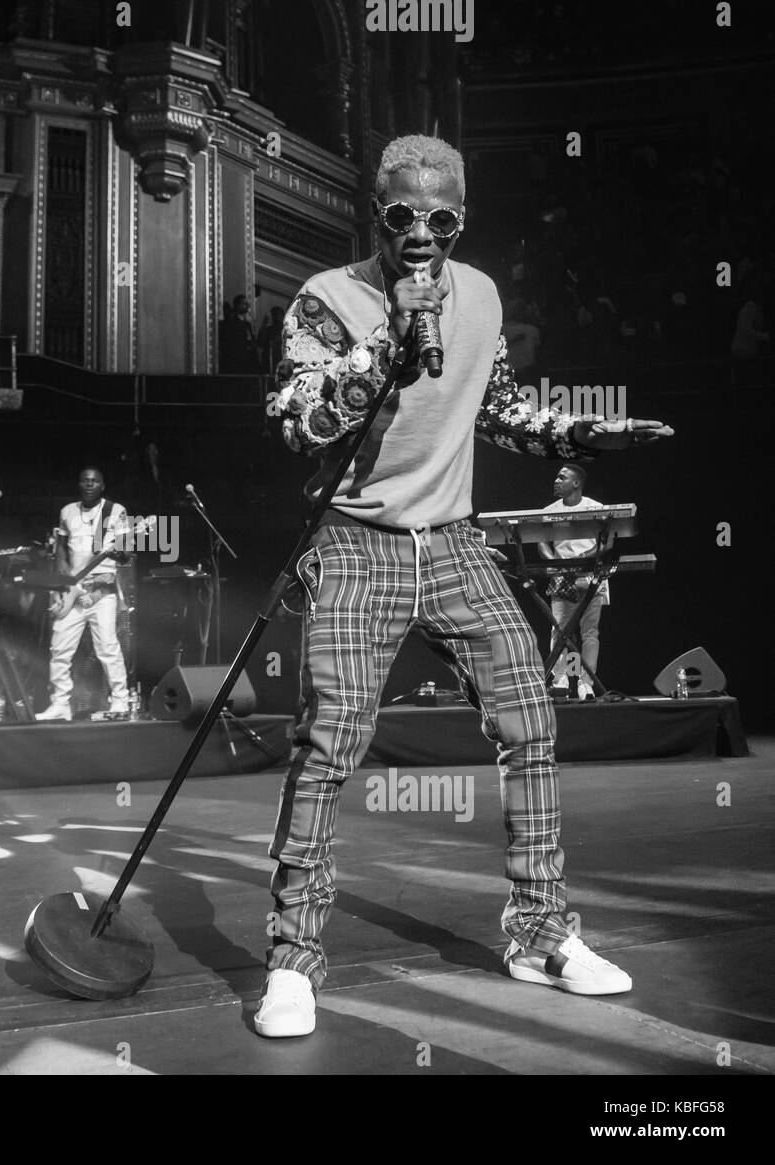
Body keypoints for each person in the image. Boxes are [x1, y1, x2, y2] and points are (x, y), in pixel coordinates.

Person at [255, 134, 673, 1039]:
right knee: (330, 740)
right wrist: (389, 344)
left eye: (440, 218)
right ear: (378, 212)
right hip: (357, 540)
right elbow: (299, 423)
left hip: (450, 539)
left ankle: (540, 933)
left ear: (461, 220)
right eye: (403, 215)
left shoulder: (480, 295)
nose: (421, 233)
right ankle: (292, 958)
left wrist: (586, 436)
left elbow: (501, 411)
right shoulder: (327, 301)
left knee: (531, 715)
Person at [35, 467, 131, 721]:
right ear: (79, 484)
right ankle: (60, 704)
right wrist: (60, 587)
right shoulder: (67, 511)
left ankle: (121, 701)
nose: (89, 484)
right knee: (59, 648)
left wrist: (118, 551)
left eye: (94, 481)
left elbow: (125, 554)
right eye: (85, 480)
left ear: (102, 485)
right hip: (72, 590)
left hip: (102, 590)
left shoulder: (115, 511)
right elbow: (61, 552)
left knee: (107, 647)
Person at [537, 464, 609, 701]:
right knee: (560, 633)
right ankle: (563, 680)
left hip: (589, 576)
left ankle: (585, 685)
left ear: (576, 483)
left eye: (562, 477)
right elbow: (541, 541)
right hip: (562, 578)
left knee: (589, 633)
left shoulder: (595, 508)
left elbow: (607, 541)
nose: (556, 481)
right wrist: (557, 564)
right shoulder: (550, 510)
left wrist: (583, 558)